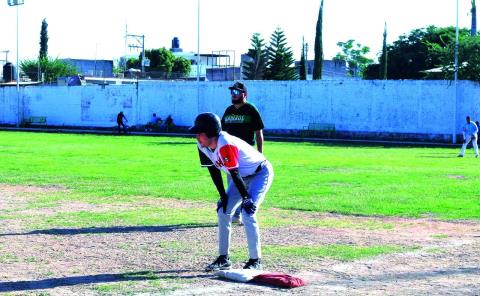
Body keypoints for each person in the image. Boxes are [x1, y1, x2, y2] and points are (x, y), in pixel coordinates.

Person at [189, 112, 274, 271]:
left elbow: (234, 173)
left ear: (210, 133)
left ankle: (255, 260)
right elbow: (213, 171)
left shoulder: (226, 143)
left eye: (199, 133)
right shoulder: (202, 145)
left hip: (260, 173)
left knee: (248, 213)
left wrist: (246, 199)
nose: (196, 136)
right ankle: (224, 258)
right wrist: (223, 196)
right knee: (223, 211)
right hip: (240, 177)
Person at [222, 82, 265, 224]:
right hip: (229, 154)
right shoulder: (228, 111)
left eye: (236, 92)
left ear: (244, 94)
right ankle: (231, 213)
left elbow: (258, 133)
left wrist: (260, 154)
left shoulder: (251, 109)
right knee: (232, 185)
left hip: (246, 156)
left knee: (245, 185)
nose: (233, 95)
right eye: (232, 92)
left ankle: (242, 213)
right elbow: (221, 133)